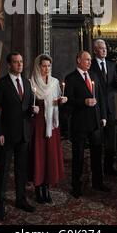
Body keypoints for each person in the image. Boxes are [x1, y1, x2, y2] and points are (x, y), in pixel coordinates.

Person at [0, 52, 39, 221]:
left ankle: (21, 200)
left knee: (21, 171)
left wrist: (33, 111)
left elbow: (27, 107)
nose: (20, 65)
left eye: (21, 62)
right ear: (9, 65)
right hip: (6, 135)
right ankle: (0, 205)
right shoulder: (1, 84)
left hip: (24, 134)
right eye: (16, 62)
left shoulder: (26, 83)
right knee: (3, 172)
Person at [64, 51, 108, 198]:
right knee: (78, 156)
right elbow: (68, 100)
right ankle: (76, 186)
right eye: (86, 60)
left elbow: (100, 97)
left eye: (90, 60)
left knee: (97, 154)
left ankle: (98, 182)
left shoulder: (94, 75)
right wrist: (83, 102)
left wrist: (103, 116)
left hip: (95, 122)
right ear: (78, 60)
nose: (89, 62)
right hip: (80, 123)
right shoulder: (71, 78)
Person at [29, 54, 67, 204]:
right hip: (38, 123)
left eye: (49, 66)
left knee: (50, 155)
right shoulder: (31, 82)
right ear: (38, 67)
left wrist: (61, 101)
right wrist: (33, 108)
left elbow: (57, 100)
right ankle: (38, 188)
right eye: (44, 66)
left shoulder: (55, 82)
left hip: (51, 124)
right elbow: (28, 104)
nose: (46, 69)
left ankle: (47, 187)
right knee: (39, 155)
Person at [91, 39, 117, 178]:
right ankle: (97, 172)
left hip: (110, 108)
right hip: (97, 109)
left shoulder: (111, 65)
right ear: (95, 51)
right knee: (98, 142)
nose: (104, 50)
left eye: (105, 48)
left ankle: (110, 167)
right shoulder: (91, 66)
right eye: (101, 48)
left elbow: (114, 85)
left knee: (111, 141)